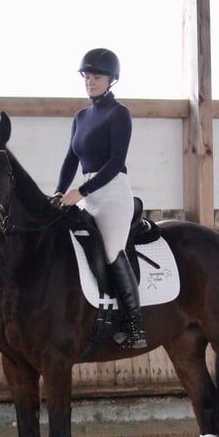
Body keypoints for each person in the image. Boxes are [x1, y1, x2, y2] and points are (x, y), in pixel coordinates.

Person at [53, 48, 147, 350]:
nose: (90, 82)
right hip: (86, 191)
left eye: (97, 77)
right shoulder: (81, 117)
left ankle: (134, 323)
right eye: (87, 77)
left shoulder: (119, 114)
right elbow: (70, 160)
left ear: (111, 80)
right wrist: (59, 191)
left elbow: (115, 161)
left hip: (112, 192)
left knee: (110, 249)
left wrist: (81, 192)